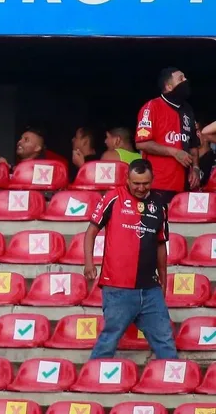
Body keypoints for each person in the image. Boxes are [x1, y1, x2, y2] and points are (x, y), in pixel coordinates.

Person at [85, 158, 178, 360]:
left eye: (145, 183)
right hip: (118, 287)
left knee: (165, 339)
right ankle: (93, 382)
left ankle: (172, 382)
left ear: (152, 180)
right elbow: (91, 231)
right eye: (136, 183)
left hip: (150, 288)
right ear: (127, 179)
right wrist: (89, 263)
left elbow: (161, 244)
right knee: (109, 338)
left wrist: (164, 279)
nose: (140, 188)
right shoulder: (113, 197)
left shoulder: (160, 204)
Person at [136, 66, 200, 203]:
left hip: (184, 185)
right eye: (181, 79)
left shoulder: (187, 110)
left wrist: (195, 168)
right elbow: (141, 142)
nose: (185, 80)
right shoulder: (152, 107)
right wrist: (173, 152)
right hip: (158, 185)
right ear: (169, 86)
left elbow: (193, 144)